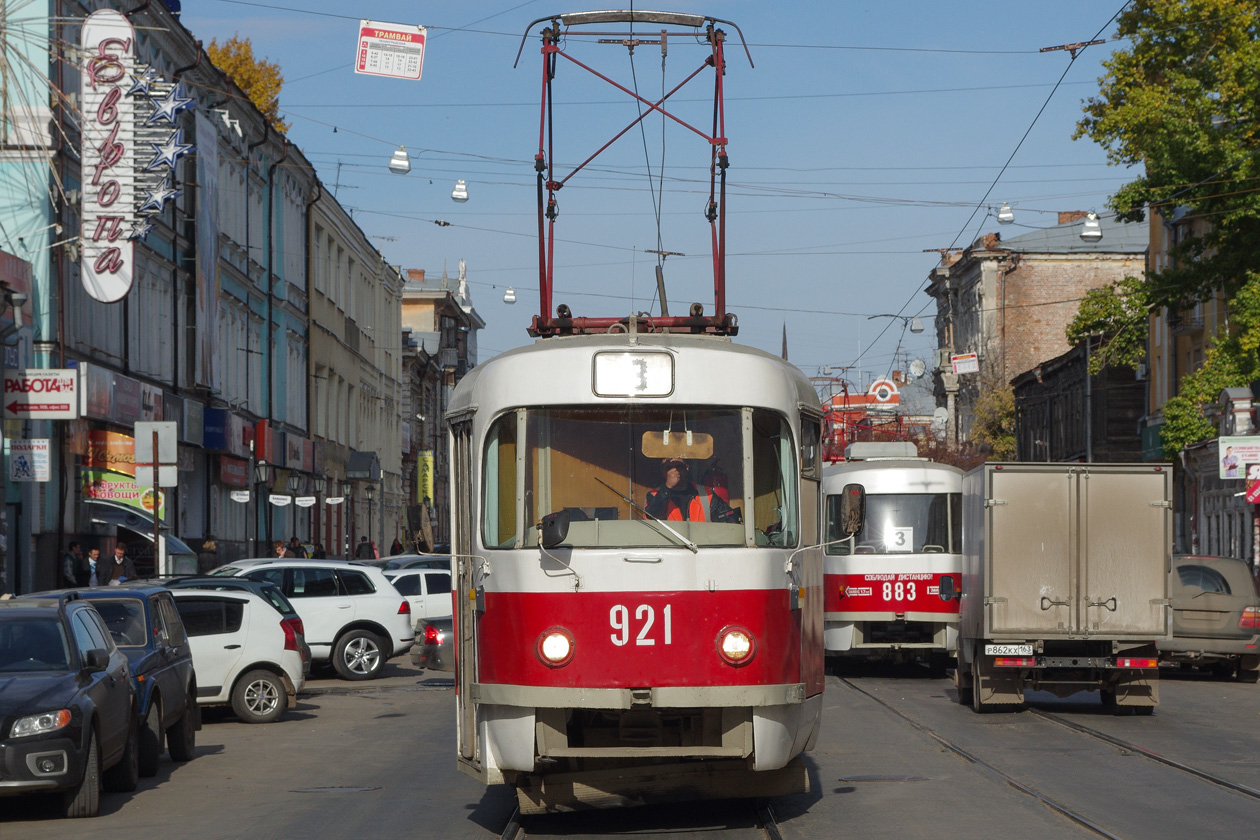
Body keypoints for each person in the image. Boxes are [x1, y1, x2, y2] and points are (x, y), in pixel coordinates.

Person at [645, 458, 740, 523]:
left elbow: (729, 521)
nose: (674, 471)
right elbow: (652, 516)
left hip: (702, 549)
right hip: (671, 550)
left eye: (679, 466)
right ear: (663, 472)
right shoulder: (654, 495)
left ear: (687, 468)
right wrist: (667, 487)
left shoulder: (706, 494)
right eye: (669, 467)